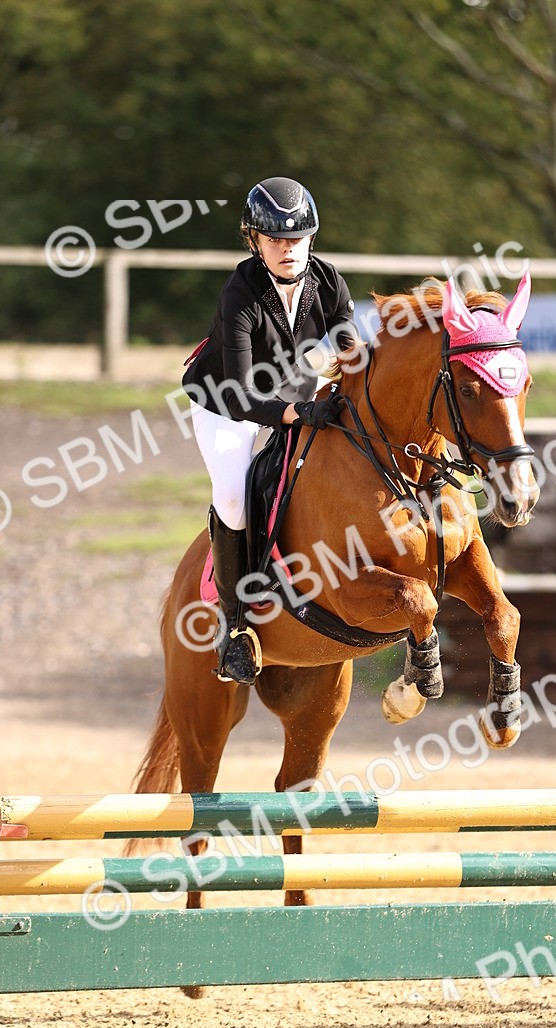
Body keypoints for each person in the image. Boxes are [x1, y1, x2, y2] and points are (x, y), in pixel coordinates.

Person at [183, 176, 357, 685]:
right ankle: (235, 628)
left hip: (291, 391)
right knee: (234, 496)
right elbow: (238, 394)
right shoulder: (240, 291)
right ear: (253, 240)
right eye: (275, 239)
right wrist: (298, 414)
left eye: (297, 238)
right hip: (223, 402)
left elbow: (349, 345)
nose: (287, 249)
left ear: (311, 238)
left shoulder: (327, 282)